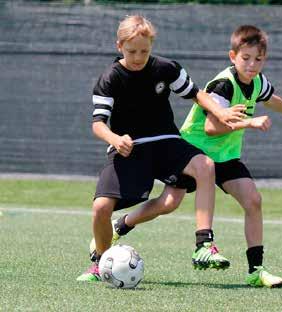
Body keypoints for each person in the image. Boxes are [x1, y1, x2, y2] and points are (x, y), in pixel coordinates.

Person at [99, 24, 282, 288]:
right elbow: (211, 128)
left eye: (258, 59)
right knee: (168, 204)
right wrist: (249, 123)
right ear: (233, 56)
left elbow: (272, 99)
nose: (251, 65)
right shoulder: (224, 84)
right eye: (246, 58)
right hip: (197, 150)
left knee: (253, 200)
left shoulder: (257, 81)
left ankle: (256, 271)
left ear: (264, 60)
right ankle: (122, 226)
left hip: (225, 156)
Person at [76, 15, 245, 282]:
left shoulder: (165, 69)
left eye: (145, 50)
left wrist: (220, 113)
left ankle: (203, 245)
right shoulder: (110, 77)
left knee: (204, 166)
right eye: (132, 51)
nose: (138, 57)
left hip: (167, 141)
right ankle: (99, 261)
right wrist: (115, 139)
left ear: (152, 46)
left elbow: (197, 93)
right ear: (119, 46)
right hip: (130, 148)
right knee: (101, 208)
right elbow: (98, 123)